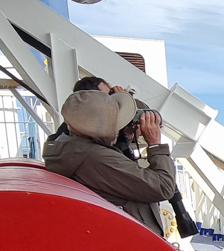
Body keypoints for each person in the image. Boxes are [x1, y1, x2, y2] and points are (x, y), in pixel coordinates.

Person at [43, 89, 175, 236]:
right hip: (132, 243)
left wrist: (124, 138)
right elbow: (164, 187)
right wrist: (155, 144)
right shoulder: (96, 157)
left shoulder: (72, 148)